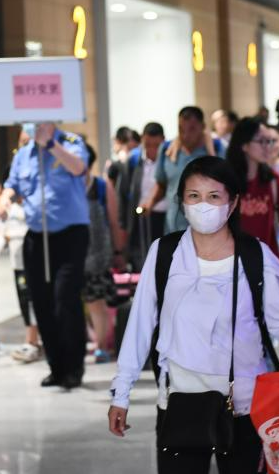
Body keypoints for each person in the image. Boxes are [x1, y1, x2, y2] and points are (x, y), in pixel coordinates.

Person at [107, 156, 279, 473]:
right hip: (179, 402)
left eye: (214, 196)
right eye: (194, 196)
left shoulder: (255, 254)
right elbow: (140, 327)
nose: (203, 205)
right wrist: (121, 393)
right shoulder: (164, 253)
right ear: (182, 204)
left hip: (244, 404)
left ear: (232, 204)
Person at [0, 122, 90, 389]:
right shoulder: (23, 154)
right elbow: (11, 185)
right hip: (37, 236)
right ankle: (56, 367)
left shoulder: (71, 143)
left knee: (65, 299)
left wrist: (51, 145)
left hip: (70, 233)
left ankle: (74, 368)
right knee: (41, 302)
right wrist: (5, 199)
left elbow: (78, 168)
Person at [0, 169, 43, 364]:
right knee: (24, 301)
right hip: (17, 264)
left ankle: (33, 341)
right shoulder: (10, 210)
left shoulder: (32, 207)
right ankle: (32, 339)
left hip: (34, 262)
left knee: (33, 301)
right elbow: (4, 233)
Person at [82, 143, 126, 364]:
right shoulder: (66, 186)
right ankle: (88, 342)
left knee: (97, 303)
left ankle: (101, 346)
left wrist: (118, 251)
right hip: (73, 256)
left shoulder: (101, 186)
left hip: (97, 256)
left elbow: (113, 221)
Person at [145, 106, 218, 234]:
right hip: (173, 228)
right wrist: (149, 202)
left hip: (206, 229)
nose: (185, 135)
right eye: (181, 129)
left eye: (192, 129)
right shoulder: (168, 150)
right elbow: (161, 184)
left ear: (202, 127)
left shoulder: (216, 149)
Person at [227, 118, 279, 260]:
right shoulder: (226, 182)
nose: (267, 147)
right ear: (244, 145)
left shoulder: (273, 181)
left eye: (269, 141)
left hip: (267, 262)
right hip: (232, 263)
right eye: (261, 141)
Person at [116, 122, 167, 272]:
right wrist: (123, 224)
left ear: (163, 140)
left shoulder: (169, 157)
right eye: (148, 144)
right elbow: (123, 192)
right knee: (142, 258)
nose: (151, 149)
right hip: (140, 217)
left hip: (163, 216)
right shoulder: (133, 160)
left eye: (156, 145)